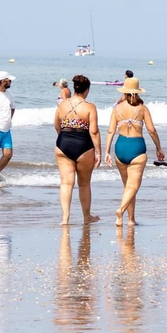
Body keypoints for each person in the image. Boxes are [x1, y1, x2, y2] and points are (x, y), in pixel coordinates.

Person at [105, 76, 163, 227]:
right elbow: (152, 130)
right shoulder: (142, 108)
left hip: (120, 147)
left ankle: (130, 220)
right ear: (137, 92)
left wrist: (106, 152)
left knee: (128, 187)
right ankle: (120, 211)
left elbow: (110, 131)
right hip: (136, 148)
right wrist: (158, 148)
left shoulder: (117, 108)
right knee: (133, 186)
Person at [53, 73, 101, 226]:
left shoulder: (62, 105)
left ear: (74, 88)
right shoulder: (90, 107)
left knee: (66, 183)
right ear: (87, 90)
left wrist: (63, 138)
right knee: (84, 184)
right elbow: (93, 131)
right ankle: (87, 217)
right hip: (83, 145)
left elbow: (56, 125)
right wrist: (99, 152)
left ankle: (65, 219)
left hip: (63, 143)